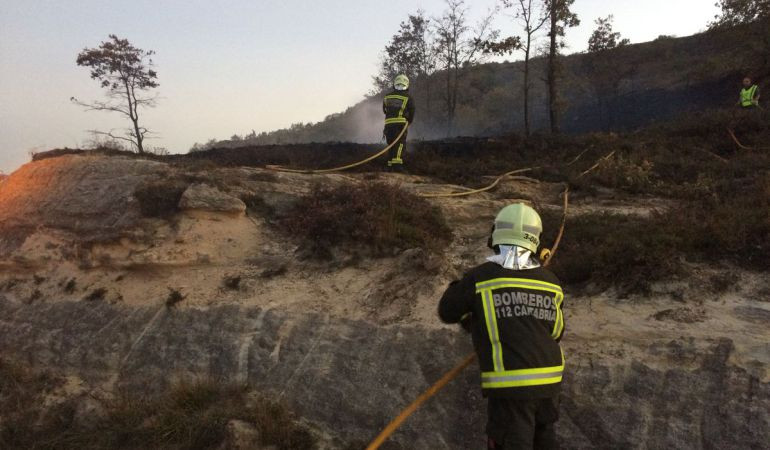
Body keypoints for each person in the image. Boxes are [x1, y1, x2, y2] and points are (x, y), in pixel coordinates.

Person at [438, 203, 565, 450]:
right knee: (544, 442)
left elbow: (448, 311)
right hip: (550, 384)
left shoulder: (481, 277)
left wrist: (472, 317)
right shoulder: (551, 281)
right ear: (536, 241)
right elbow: (557, 332)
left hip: (512, 388)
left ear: (495, 235)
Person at [382, 74, 415, 171]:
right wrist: (409, 121)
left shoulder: (387, 97)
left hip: (388, 125)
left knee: (391, 143)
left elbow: (384, 110)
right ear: (407, 85)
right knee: (400, 144)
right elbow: (412, 110)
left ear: (394, 84)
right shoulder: (408, 97)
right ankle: (397, 166)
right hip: (400, 124)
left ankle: (390, 165)